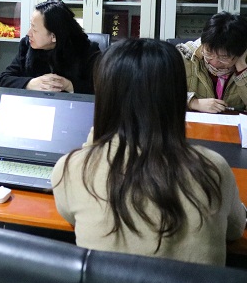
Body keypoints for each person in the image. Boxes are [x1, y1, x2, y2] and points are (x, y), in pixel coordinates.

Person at [51, 39, 246, 265]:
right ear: (175, 97)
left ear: (104, 96)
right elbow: (235, 229)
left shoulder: (72, 168)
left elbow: (70, 214)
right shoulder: (213, 169)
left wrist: (102, 131)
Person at [0, 0, 100, 94]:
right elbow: (4, 80)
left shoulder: (87, 50)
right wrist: (31, 83)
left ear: (53, 36)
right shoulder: (27, 45)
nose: (29, 33)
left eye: (35, 29)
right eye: (31, 25)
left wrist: (69, 86)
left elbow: (101, 89)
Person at [175, 12, 247, 113]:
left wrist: (242, 70)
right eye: (208, 53)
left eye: (223, 57)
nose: (214, 62)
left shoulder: (243, 61)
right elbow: (159, 94)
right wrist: (193, 102)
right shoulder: (184, 56)